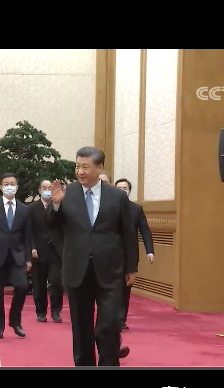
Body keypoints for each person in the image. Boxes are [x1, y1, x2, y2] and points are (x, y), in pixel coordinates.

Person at [47, 147, 138, 366]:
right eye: (77, 166)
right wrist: (55, 204)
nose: (80, 171)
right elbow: (50, 225)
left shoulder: (117, 196)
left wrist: (131, 267)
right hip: (77, 270)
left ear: (99, 167)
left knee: (109, 325)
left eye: (85, 167)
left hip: (110, 271)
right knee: (81, 328)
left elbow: (128, 233)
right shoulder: (67, 193)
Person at [0, 173, 33, 339]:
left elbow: (27, 236)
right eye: (6, 184)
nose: (10, 186)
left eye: (13, 183)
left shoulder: (24, 209)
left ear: (17, 187)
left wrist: (28, 259)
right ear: (1, 187)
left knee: (22, 286)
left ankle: (15, 321)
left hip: (17, 256)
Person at [115, 177, 155, 330]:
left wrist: (149, 251)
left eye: (125, 188)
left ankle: (121, 319)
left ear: (130, 191)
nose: (122, 191)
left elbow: (145, 230)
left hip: (129, 255)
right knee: (111, 289)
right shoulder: (108, 208)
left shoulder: (136, 209)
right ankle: (111, 318)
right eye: (119, 188)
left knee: (125, 289)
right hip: (110, 254)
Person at [28, 180, 64, 323]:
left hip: (56, 251)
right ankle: (41, 311)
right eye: (44, 187)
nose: (47, 190)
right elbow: (29, 230)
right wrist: (32, 247)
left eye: (50, 187)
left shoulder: (60, 206)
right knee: (39, 283)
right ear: (39, 190)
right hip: (38, 250)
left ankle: (56, 311)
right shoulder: (32, 208)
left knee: (56, 282)